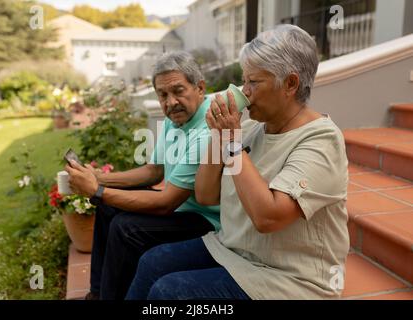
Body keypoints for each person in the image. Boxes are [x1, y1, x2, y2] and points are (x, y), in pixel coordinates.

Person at [125, 24, 350, 300]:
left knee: (170, 294)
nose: (245, 90)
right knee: (152, 262)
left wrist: (232, 144)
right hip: (234, 251)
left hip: (289, 280)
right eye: (244, 81)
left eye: (253, 82)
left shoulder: (321, 140)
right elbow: (206, 195)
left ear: (290, 84)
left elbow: (268, 217)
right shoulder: (253, 130)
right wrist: (218, 138)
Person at [65, 51, 220, 300]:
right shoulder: (177, 118)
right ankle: (96, 294)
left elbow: (165, 202)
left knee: (126, 228)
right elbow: (154, 171)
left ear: (200, 88)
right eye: (163, 95)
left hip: (206, 221)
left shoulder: (207, 130)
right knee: (107, 210)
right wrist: (98, 178)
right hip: (181, 208)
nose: (170, 102)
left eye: (178, 91)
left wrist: (97, 191)